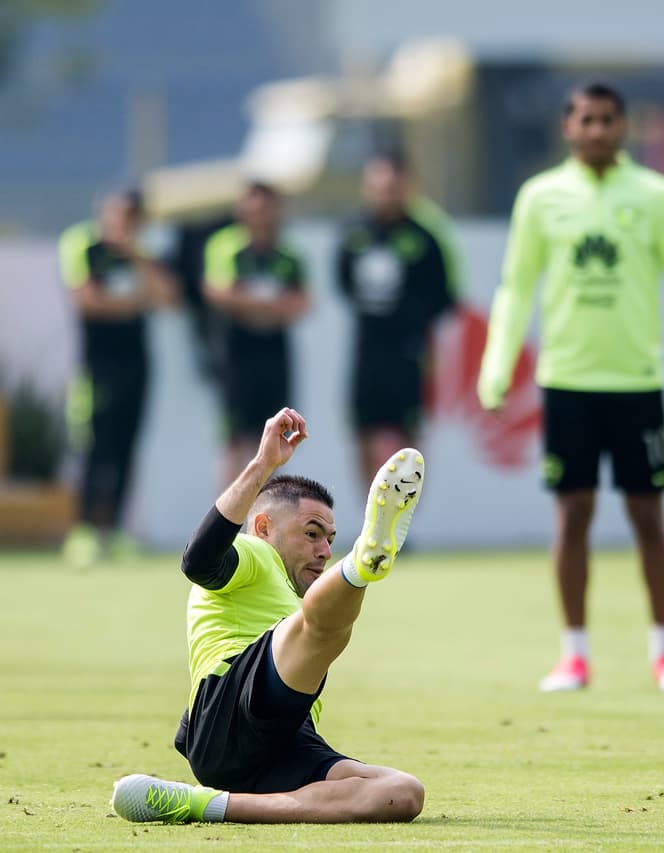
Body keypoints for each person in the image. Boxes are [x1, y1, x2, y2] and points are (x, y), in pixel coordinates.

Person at [477, 82, 664, 692]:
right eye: (587, 120)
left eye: (608, 120)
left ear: (624, 127)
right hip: (568, 384)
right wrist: (497, 368)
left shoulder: (657, 196)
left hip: (636, 383)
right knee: (573, 514)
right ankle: (573, 655)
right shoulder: (540, 198)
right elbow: (515, 287)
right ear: (568, 127)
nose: (598, 131)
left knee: (647, 516)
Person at [111, 407, 426, 823]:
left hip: (283, 740)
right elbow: (198, 561)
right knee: (323, 630)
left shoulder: (290, 590)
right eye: (311, 533)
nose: (322, 551)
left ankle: (204, 804)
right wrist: (262, 465)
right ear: (263, 527)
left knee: (403, 794)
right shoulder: (255, 554)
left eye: (331, 540)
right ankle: (361, 567)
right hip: (230, 712)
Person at [59, 188, 178, 568]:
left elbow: (168, 297)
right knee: (96, 447)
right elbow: (87, 300)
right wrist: (134, 302)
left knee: (128, 447)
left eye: (131, 217)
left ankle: (116, 530)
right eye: (118, 214)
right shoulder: (85, 247)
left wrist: (136, 257)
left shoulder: (143, 255)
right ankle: (84, 530)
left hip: (137, 364)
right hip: (98, 366)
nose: (123, 223)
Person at [336, 153, 464, 487]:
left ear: (407, 187)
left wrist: (417, 328)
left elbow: (446, 297)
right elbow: (344, 284)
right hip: (367, 351)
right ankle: (371, 525)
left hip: (410, 353)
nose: (386, 193)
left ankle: (399, 522)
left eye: (393, 186)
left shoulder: (427, 236)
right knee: (363, 433)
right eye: (379, 186)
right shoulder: (354, 233)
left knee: (409, 440)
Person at [203, 182, 309, 487]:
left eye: (265, 209)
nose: (259, 216)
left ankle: (260, 518)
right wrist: (266, 304)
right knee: (235, 439)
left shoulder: (287, 253)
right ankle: (225, 521)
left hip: (275, 351)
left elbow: (302, 302)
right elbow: (217, 293)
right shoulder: (226, 247)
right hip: (238, 351)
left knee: (276, 437)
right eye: (253, 208)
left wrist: (251, 302)